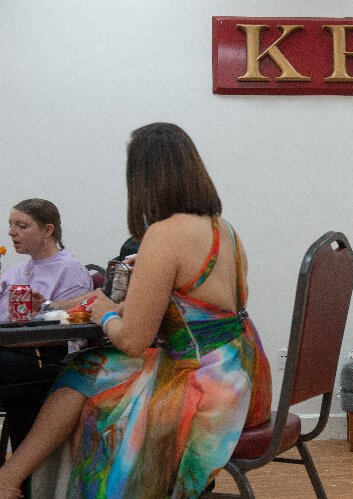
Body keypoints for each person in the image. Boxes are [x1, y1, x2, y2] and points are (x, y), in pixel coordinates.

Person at [0, 122, 272, 498]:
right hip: (239, 371)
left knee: (81, 374)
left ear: (143, 177)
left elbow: (133, 340)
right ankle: (11, 479)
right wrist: (116, 307)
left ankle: (12, 480)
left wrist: (104, 313)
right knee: (86, 371)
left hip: (201, 380)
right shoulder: (222, 228)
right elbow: (195, 309)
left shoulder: (164, 234)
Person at [0, 198, 93, 453]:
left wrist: (45, 307)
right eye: (10, 225)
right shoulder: (15, 271)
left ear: (47, 230)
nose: (11, 232)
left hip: (48, 357)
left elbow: (76, 332)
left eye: (21, 225)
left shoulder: (70, 270)